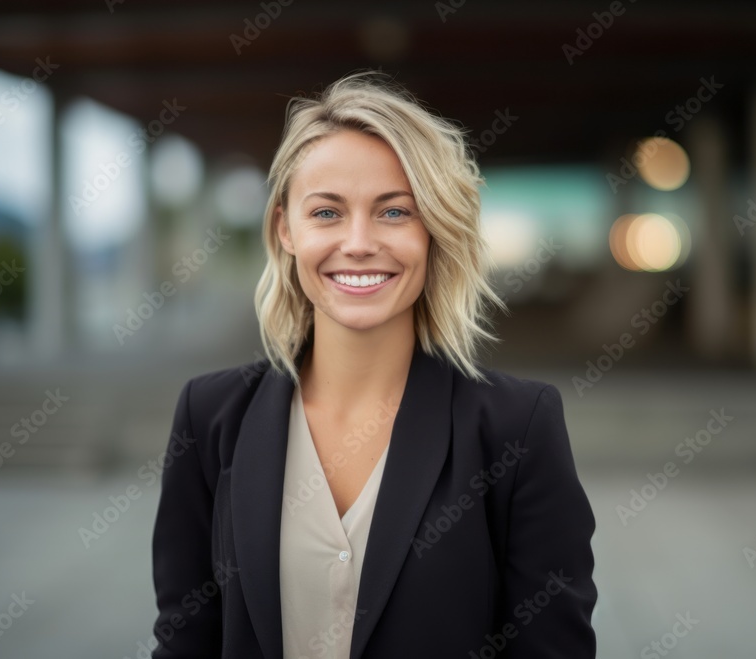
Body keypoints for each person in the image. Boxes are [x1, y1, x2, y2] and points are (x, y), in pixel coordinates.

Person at [150, 70, 598, 659]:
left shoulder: (517, 428)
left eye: (393, 212)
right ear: (285, 228)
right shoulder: (209, 417)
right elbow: (186, 643)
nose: (359, 242)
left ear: (435, 229)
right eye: (327, 213)